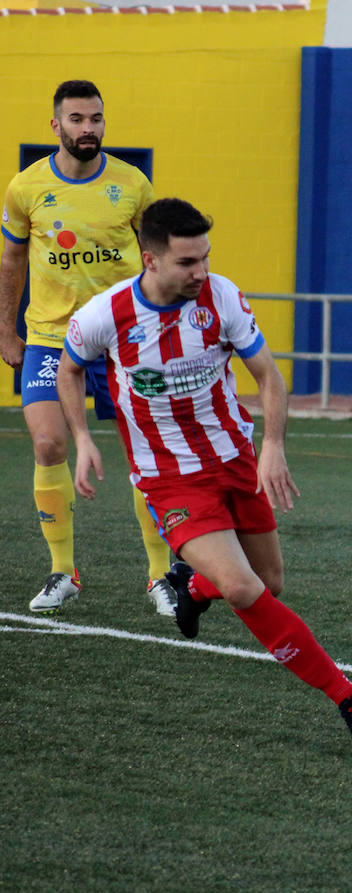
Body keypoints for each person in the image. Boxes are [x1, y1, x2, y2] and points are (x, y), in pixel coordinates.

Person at [57, 197, 352, 750]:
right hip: (169, 479)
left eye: (205, 257)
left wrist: (272, 445)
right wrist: (83, 438)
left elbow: (269, 376)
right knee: (243, 586)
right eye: (187, 262)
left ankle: (192, 586)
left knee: (268, 583)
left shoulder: (221, 296)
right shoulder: (104, 315)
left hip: (235, 459)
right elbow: (69, 370)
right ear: (150, 259)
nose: (200, 271)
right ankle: (350, 698)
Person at [0, 79, 174, 616]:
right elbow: (11, 261)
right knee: (48, 444)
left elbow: (158, 258)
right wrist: (5, 330)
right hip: (50, 338)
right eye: (77, 119)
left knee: (146, 451)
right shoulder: (25, 188)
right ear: (56, 125)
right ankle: (63, 571)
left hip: (123, 339)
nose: (88, 128)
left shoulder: (133, 184)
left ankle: (161, 576)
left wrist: (165, 322)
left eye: (96, 118)